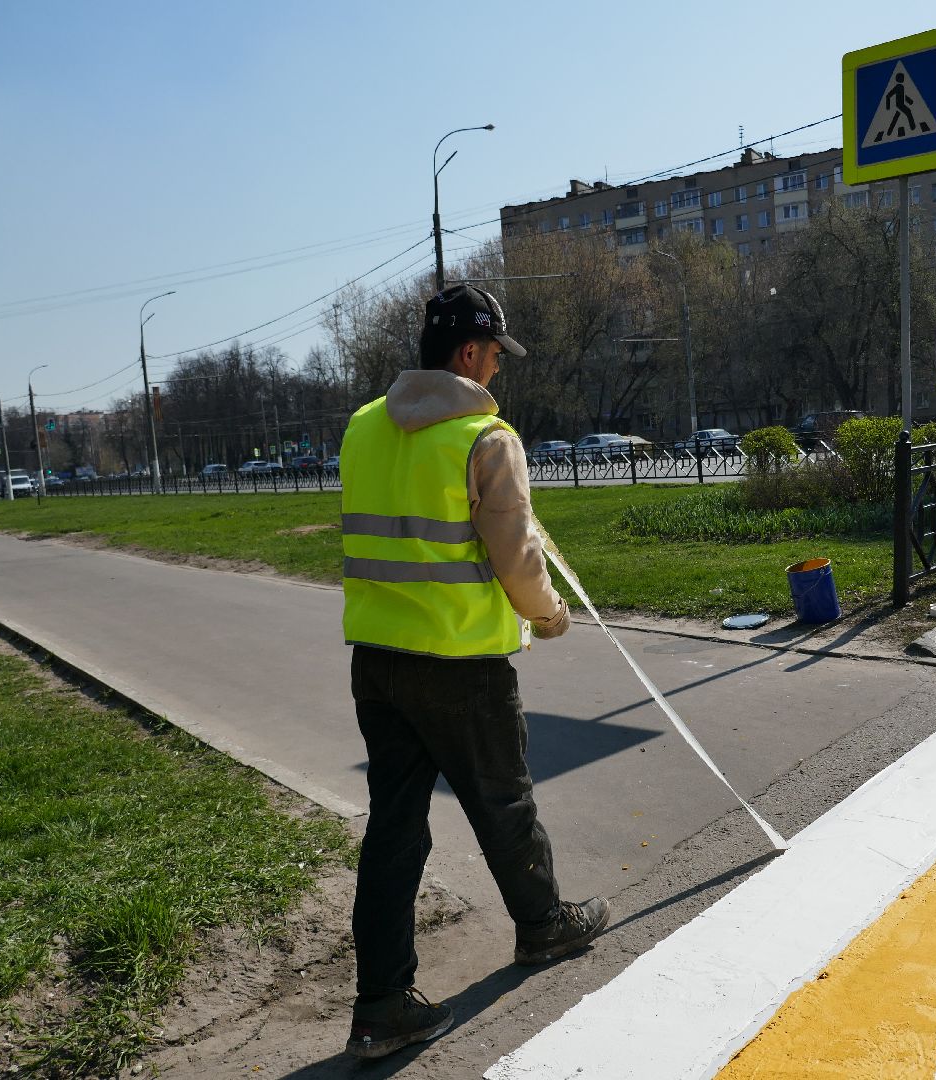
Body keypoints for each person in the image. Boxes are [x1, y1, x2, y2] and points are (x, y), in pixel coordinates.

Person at [338, 284, 609, 1060]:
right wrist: (550, 616)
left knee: (394, 829)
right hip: (461, 665)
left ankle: (381, 1006)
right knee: (503, 800)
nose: (498, 367)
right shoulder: (486, 438)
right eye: (494, 354)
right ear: (467, 352)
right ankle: (543, 925)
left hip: (377, 662)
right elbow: (516, 558)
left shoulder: (363, 426)